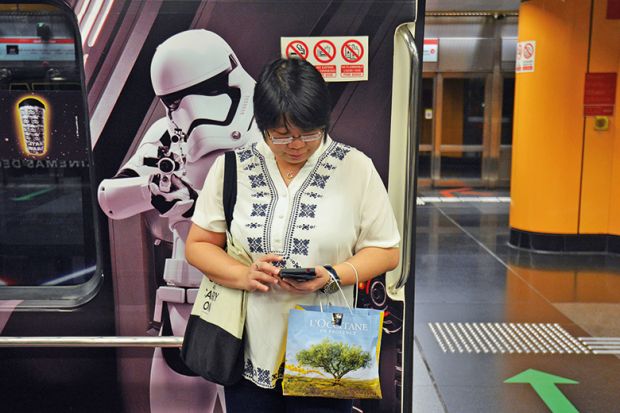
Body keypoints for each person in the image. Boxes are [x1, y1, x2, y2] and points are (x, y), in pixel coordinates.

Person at [185, 57, 400, 413]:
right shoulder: (232, 168)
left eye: (309, 132)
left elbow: (386, 250)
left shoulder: (355, 167)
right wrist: (245, 274)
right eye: (281, 134)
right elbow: (198, 245)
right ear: (262, 125)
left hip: (328, 347)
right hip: (249, 348)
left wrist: (332, 275)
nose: (296, 144)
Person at [97, 29, 259, 412]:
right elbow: (110, 198)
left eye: (202, 92)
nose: (184, 112)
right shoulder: (168, 136)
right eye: (172, 103)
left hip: (254, 304)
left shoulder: (270, 132)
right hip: (183, 307)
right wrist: (150, 191)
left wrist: (194, 206)